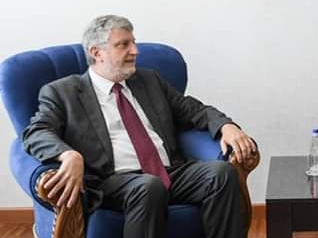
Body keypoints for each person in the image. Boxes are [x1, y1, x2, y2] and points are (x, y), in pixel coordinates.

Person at [23, 15, 258, 238]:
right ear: (97, 53)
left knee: (221, 173)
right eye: (124, 44)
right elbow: (36, 131)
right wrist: (69, 155)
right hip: (112, 180)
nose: (135, 51)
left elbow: (193, 110)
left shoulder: (149, 80)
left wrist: (226, 126)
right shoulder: (63, 92)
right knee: (149, 186)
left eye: (133, 43)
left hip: (168, 171)